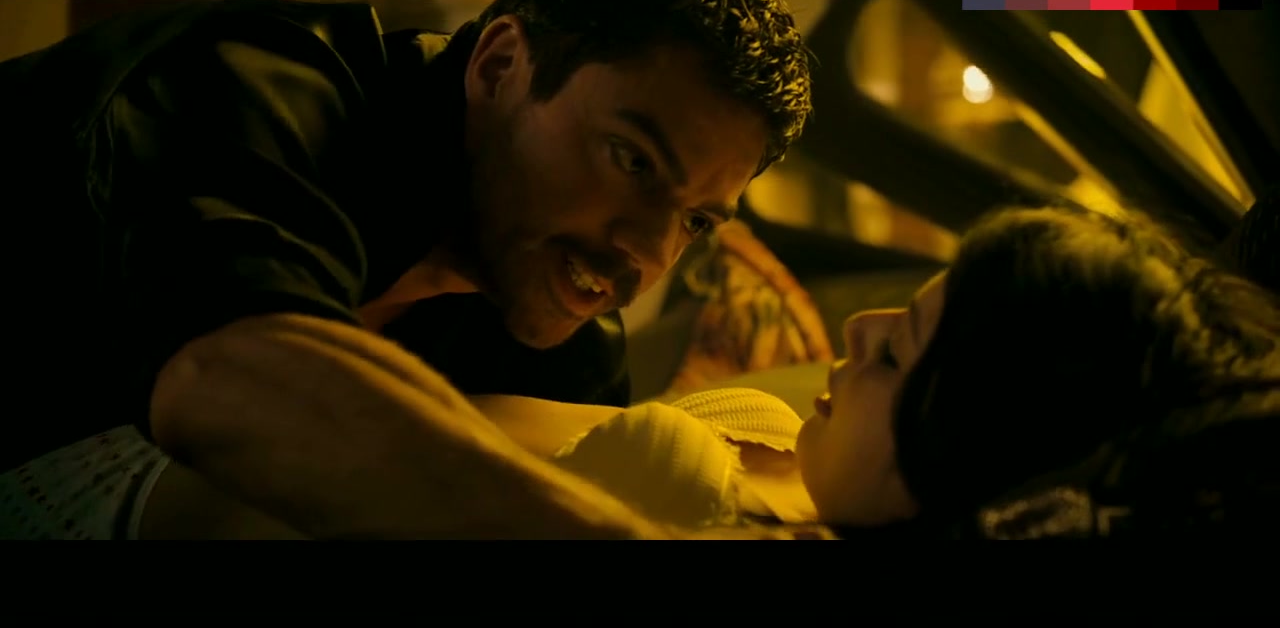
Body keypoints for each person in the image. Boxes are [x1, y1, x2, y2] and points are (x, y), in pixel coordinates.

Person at [0, 0, 815, 540]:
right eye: (631, 160)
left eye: (695, 221)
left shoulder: (562, 343)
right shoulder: (257, 84)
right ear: (499, 65)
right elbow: (227, 378)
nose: (650, 250)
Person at [11, 204, 1276, 538]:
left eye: (896, 353)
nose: (857, 331)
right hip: (124, 445)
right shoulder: (791, 445)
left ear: (968, 456)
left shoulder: (683, 517)